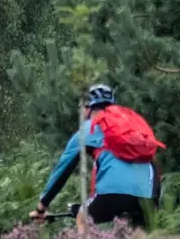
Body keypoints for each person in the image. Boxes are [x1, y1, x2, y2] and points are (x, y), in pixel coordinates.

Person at [30, 84, 162, 229]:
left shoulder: (88, 127)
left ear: (88, 109)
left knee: (83, 218)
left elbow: (62, 170)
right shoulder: (132, 130)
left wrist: (41, 207)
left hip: (111, 192)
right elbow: (153, 163)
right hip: (147, 194)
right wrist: (155, 200)